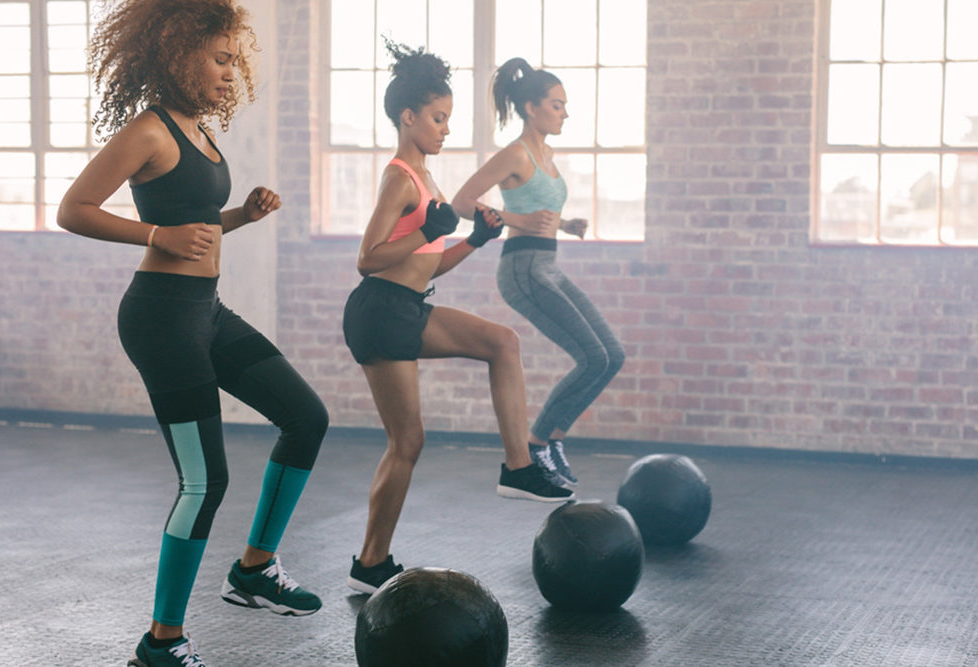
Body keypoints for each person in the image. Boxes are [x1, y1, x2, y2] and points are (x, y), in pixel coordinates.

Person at [57, 1, 327, 664]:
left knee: (306, 416)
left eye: (234, 61)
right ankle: (162, 640)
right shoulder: (148, 131)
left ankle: (255, 567)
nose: (231, 74)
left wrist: (241, 215)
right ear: (178, 53)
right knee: (205, 482)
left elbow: (195, 228)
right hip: (160, 317)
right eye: (221, 59)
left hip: (202, 310)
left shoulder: (197, 129)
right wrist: (154, 233)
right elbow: (73, 209)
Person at [342, 41, 574, 595]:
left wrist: (475, 237)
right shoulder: (401, 176)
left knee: (502, 342)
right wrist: (429, 228)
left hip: (406, 306)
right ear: (409, 117)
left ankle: (517, 467)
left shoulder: (427, 178)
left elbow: (428, 263)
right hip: (380, 312)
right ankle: (371, 563)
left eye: (448, 119)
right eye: (439, 118)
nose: (446, 129)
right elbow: (367, 258)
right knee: (407, 443)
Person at [452, 58, 625, 487]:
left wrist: (565, 224)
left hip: (548, 264)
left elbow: (539, 208)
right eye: (557, 104)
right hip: (522, 270)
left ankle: (553, 437)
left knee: (611, 356)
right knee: (592, 357)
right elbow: (461, 201)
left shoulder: (546, 154)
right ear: (532, 108)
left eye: (564, 106)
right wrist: (516, 221)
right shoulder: (515, 153)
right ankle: (535, 444)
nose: (564, 112)